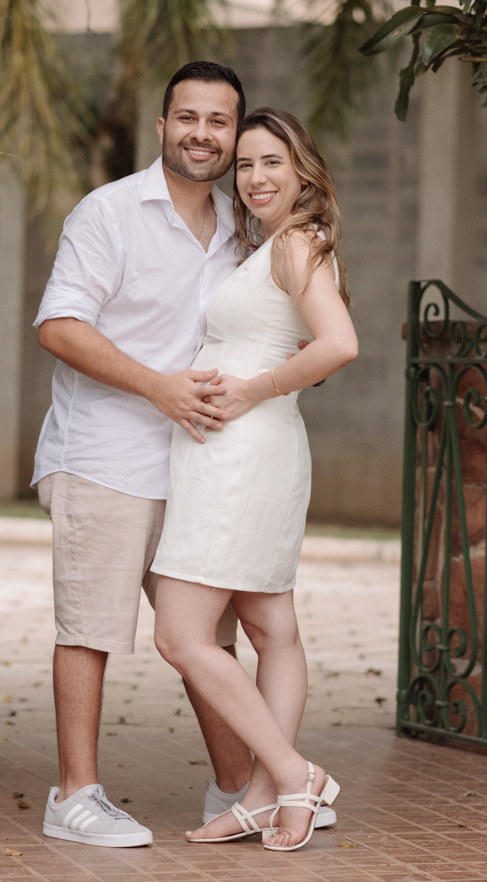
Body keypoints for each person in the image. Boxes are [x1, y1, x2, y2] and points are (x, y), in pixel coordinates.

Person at [33, 61, 256, 849]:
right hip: (102, 453)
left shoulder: (240, 226)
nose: (202, 133)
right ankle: (75, 795)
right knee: (92, 627)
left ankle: (236, 791)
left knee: (206, 633)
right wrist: (157, 387)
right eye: (187, 117)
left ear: (235, 135)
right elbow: (59, 327)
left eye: (219, 121)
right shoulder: (109, 213)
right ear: (161, 127)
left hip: (193, 463)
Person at [152, 107, 358, 851]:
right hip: (242, 453)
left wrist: (253, 389)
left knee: (180, 634)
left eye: (272, 161)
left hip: (245, 453)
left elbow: (338, 344)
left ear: (303, 168)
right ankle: (270, 800)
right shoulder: (274, 246)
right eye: (244, 165)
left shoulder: (296, 243)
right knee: (272, 628)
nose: (255, 177)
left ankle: (292, 773)